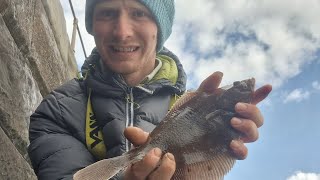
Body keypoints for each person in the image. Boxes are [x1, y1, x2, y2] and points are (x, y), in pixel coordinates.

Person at [28, 0, 272, 179]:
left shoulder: (191, 101)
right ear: (92, 25)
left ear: (159, 30)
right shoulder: (56, 111)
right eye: (107, 13)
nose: (122, 32)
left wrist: (221, 147)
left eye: (138, 13)